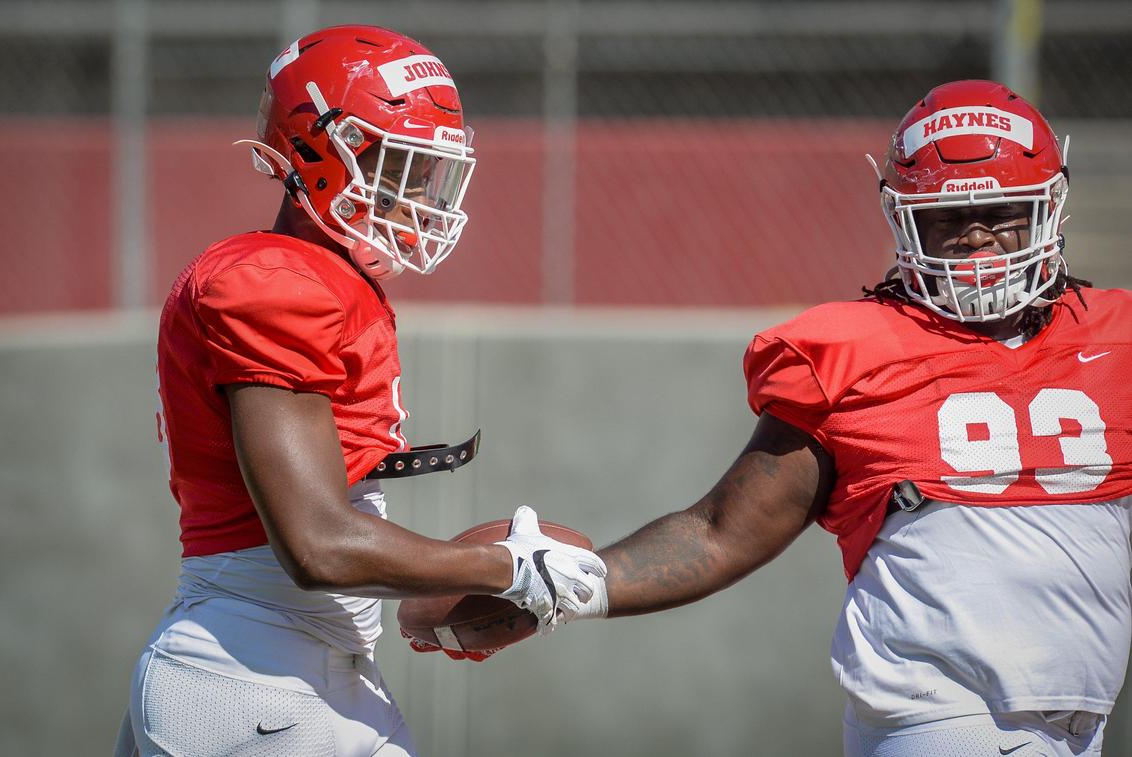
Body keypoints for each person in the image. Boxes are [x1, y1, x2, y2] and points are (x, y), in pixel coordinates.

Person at [551, 80, 1129, 756]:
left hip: (1081, 727)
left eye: (1002, 212)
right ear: (905, 219)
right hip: (944, 719)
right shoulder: (855, 350)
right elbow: (719, 532)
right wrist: (561, 584)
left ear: (1049, 209)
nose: (978, 241)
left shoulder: (1117, 337)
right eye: (947, 219)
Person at [114, 25, 604, 757]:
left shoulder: (322, 280)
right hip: (259, 680)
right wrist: (509, 569)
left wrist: (419, 601)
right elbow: (316, 544)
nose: (417, 195)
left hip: (280, 669)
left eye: (428, 172)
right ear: (315, 154)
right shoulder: (272, 283)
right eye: (398, 166)